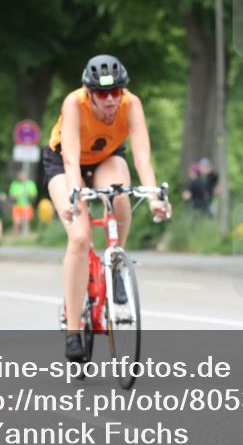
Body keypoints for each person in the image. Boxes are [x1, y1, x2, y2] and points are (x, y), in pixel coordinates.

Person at [43, 54, 169, 362]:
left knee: (121, 196)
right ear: (89, 93)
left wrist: (154, 197)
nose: (111, 99)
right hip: (64, 163)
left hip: (106, 158)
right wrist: (77, 198)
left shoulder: (131, 104)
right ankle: (74, 330)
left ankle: (115, 265)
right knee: (80, 236)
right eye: (102, 93)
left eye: (117, 91)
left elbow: (142, 158)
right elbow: (71, 158)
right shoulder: (74, 103)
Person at [9, 169, 38, 235]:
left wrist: (29, 195)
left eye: (22, 175)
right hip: (17, 205)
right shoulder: (14, 184)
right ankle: (15, 235)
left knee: (26, 223)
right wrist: (17, 196)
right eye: (20, 175)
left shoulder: (30, 183)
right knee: (16, 222)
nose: (21, 177)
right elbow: (11, 195)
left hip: (27, 205)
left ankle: (26, 236)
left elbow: (34, 195)